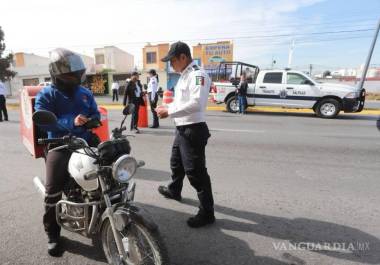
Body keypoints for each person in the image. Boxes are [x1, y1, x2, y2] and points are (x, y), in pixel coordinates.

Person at [34, 48, 100, 256]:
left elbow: (96, 113)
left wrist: (93, 120)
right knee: (52, 191)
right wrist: (70, 122)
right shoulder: (47, 94)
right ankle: (53, 234)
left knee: (109, 172)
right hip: (59, 144)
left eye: (77, 73)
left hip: (84, 141)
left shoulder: (85, 93)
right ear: (58, 74)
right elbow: (44, 123)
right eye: (71, 74)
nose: (75, 77)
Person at [156, 41, 215, 228]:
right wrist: (167, 107)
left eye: (172, 61)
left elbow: (197, 104)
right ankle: (174, 190)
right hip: (181, 129)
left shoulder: (198, 75)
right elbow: (181, 101)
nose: (170, 65)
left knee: (196, 173)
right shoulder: (183, 75)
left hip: (193, 130)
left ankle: (207, 212)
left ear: (183, 57)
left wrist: (169, 112)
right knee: (176, 163)